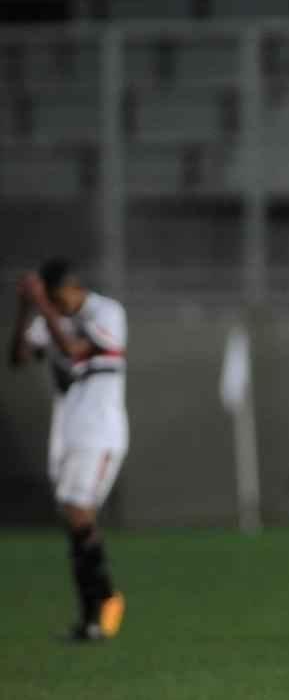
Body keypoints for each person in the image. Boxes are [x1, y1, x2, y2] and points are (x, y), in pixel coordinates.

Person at [8, 258, 127, 641]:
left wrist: (42, 305)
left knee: (78, 512)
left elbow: (76, 350)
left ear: (73, 288)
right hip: (68, 431)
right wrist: (26, 308)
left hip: (100, 430)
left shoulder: (107, 312)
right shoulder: (48, 316)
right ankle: (91, 618)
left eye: (55, 298)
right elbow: (18, 357)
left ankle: (105, 599)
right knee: (74, 519)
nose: (54, 306)